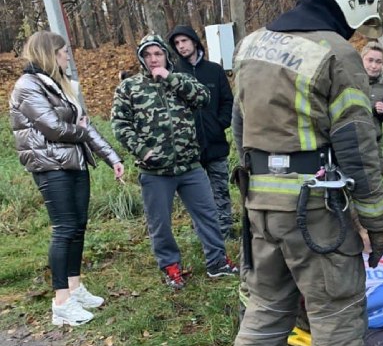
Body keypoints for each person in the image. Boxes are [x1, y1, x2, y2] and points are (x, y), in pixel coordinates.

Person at [216, 0, 383, 346]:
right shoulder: (335, 52)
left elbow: (240, 130)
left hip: (259, 207)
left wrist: (248, 199)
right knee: (336, 310)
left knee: (266, 307)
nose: (356, 32)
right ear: (349, 8)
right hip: (315, 212)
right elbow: (358, 147)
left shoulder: (251, 44)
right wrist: (375, 223)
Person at [9, 31, 125, 326]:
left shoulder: (60, 85)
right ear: (50, 53)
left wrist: (112, 158)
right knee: (64, 229)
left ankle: (74, 288)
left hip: (74, 164)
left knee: (78, 227)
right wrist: (81, 131)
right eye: (62, 52)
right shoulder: (27, 86)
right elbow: (53, 128)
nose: (66, 57)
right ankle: (61, 302)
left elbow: (85, 124)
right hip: (50, 167)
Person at [111, 34, 237, 289]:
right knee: (160, 223)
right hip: (155, 170)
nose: (153, 59)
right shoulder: (130, 87)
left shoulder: (181, 80)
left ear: (166, 56)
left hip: (190, 164)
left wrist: (171, 78)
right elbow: (120, 124)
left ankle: (217, 262)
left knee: (208, 214)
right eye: (147, 55)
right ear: (141, 59)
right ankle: (171, 267)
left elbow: (203, 98)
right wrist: (142, 150)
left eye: (157, 54)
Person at [167, 25, 235, 239]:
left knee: (221, 191)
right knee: (197, 195)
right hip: (189, 149)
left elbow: (228, 101)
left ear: (194, 42)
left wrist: (219, 123)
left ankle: (225, 231)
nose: (181, 46)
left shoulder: (214, 70)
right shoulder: (175, 74)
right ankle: (204, 234)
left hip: (215, 144)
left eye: (184, 41)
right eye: (177, 44)